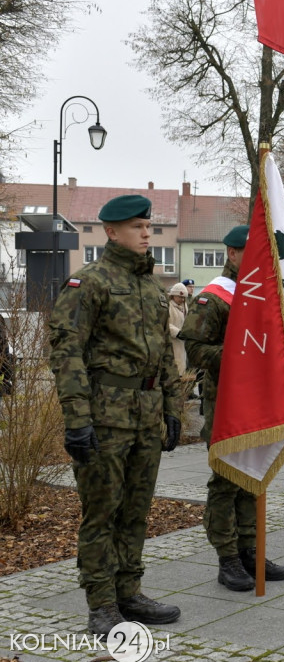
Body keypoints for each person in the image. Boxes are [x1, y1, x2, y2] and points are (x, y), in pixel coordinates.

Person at [48, 194, 183, 637]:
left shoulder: (151, 286)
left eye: (149, 227)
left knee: (136, 510)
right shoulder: (89, 283)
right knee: (102, 513)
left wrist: (172, 408)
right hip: (105, 418)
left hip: (145, 417)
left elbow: (163, 354)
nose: (147, 234)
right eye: (137, 227)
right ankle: (101, 604)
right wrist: (77, 421)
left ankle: (130, 590)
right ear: (111, 232)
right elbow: (67, 353)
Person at [180, 225, 284, 591]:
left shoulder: (262, 293)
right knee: (228, 478)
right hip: (225, 400)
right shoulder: (215, 297)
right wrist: (242, 355)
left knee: (253, 475)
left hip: (259, 399)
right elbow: (195, 352)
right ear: (232, 254)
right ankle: (227, 557)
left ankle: (250, 550)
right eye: (253, 253)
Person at [167, 283, 188, 375]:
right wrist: (177, 332)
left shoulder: (184, 307)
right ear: (173, 296)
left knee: (181, 364)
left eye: (183, 297)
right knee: (174, 365)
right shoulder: (168, 306)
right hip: (172, 341)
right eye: (180, 297)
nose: (182, 299)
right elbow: (166, 324)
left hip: (182, 342)